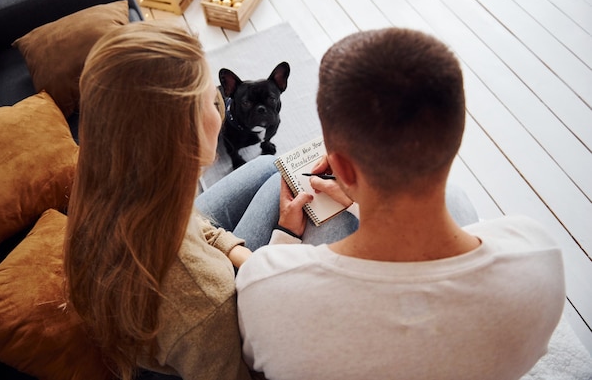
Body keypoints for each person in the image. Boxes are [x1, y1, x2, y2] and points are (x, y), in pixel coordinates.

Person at [235, 28, 566, 380]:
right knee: (456, 198)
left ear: (342, 167)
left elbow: (254, 361)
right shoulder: (538, 255)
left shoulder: (267, 285)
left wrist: (285, 235)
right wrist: (361, 200)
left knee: (271, 176)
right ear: (455, 138)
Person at [63, 20, 278, 380]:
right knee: (324, 213)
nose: (222, 106)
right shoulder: (206, 303)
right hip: (200, 315)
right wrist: (283, 241)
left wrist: (243, 255)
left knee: (273, 167)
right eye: (212, 100)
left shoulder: (112, 180)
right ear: (185, 137)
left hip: (174, 272)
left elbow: (191, 225)